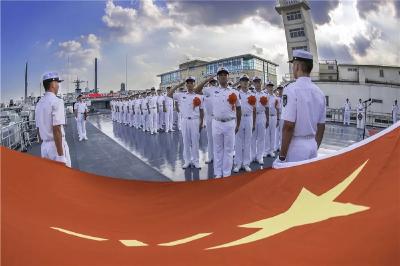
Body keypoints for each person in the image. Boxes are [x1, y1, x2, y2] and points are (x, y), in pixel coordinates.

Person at [275, 50, 326, 164]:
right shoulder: (320, 93)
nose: (293, 68)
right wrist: (313, 146)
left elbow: (288, 126)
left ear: (297, 66)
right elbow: (321, 126)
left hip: (295, 147)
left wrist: (282, 156)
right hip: (313, 144)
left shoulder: (291, 89)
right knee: (307, 181)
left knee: (293, 181)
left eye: (293, 65)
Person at [196, 67, 241, 178]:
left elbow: (239, 108)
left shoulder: (234, 92)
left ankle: (226, 173)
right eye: (220, 74)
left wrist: (238, 124)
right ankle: (218, 173)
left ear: (228, 76)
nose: (222, 76)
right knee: (218, 149)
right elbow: (197, 90)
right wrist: (208, 79)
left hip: (230, 123)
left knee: (229, 150)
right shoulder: (211, 90)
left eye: (224, 74)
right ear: (217, 77)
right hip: (216, 123)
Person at [35, 71, 71, 167]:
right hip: (56, 148)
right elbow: (57, 129)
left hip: (44, 147)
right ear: (53, 84)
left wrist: (45, 143)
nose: (58, 86)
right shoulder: (57, 101)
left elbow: (38, 128)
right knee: (65, 179)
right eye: (57, 83)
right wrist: (61, 156)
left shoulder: (39, 104)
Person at [168, 77, 204, 168]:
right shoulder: (180, 95)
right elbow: (169, 94)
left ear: (194, 84)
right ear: (186, 84)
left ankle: (196, 161)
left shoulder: (199, 96)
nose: (190, 84)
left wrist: (201, 122)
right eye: (188, 83)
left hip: (195, 121)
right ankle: (187, 161)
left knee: (195, 142)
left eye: (191, 82)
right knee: (186, 141)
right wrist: (178, 85)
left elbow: (201, 111)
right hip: (184, 121)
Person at [233, 74, 255, 173]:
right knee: (238, 142)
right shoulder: (237, 93)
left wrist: (254, 123)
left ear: (248, 82)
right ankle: (238, 163)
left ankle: (246, 163)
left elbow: (254, 109)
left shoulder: (252, 94)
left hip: (249, 118)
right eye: (243, 80)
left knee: (247, 141)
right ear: (240, 82)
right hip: (239, 119)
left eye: (246, 81)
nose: (245, 82)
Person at [251, 76, 268, 165]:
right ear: (253, 83)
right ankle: (253, 156)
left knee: (261, 137)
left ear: (261, 83)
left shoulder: (265, 94)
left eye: (258, 82)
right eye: (255, 82)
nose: (257, 84)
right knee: (253, 137)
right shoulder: (251, 93)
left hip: (261, 115)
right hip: (252, 117)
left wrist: (267, 119)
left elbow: (267, 108)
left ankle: (260, 156)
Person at [264, 80, 278, 158]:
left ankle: (271, 150)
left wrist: (278, 118)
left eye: (271, 86)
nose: (270, 88)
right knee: (266, 134)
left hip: (274, 116)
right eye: (269, 86)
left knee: (273, 133)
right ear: (266, 87)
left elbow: (277, 108)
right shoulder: (265, 96)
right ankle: (266, 150)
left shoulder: (275, 97)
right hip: (267, 116)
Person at [274, 85, 284, 151]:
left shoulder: (285, 98)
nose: (280, 90)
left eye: (281, 89)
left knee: (282, 132)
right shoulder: (276, 98)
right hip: (277, 115)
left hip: (283, 116)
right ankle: (276, 146)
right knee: (276, 132)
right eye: (279, 89)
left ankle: (281, 146)